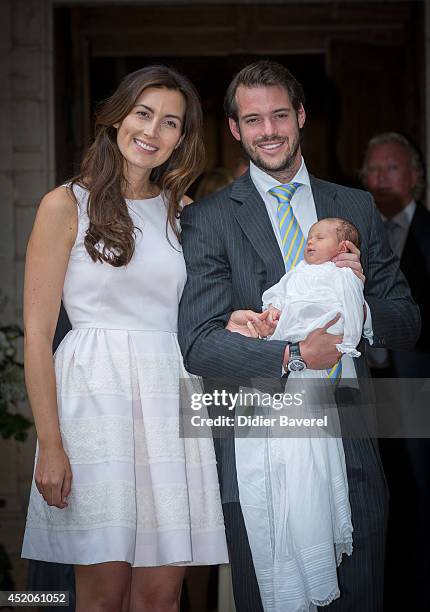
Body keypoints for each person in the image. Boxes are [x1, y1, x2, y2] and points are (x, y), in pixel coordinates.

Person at [178, 60, 420, 612]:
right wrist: (290, 353)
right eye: (254, 119)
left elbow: (408, 322)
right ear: (235, 129)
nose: (270, 131)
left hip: (351, 436)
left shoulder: (353, 206)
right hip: (259, 450)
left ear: (302, 116)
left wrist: (358, 303)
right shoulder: (210, 219)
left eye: (280, 115)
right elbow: (199, 343)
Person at [21, 65, 228, 612]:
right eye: (143, 113)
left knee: (162, 594)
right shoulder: (64, 205)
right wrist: (52, 445)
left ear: (182, 138)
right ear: (116, 117)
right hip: (93, 404)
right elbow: (37, 337)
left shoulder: (184, 214)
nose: (153, 131)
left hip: (169, 402)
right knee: (103, 590)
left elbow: (204, 317)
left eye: (171, 123)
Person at [231, 217, 365, 611]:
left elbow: (354, 315)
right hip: (278, 361)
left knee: (309, 473)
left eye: (320, 237)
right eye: (309, 237)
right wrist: (271, 312)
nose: (310, 242)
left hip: (321, 379)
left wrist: (347, 343)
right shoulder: (298, 271)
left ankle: (311, 560)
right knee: (276, 474)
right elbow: (277, 293)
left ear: (341, 248)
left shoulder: (343, 276)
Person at [361, 132, 430, 609]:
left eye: (392, 169)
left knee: (418, 503)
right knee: (369, 502)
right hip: (358, 390)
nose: (381, 178)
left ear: (415, 179)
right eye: (374, 170)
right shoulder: (349, 235)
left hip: (416, 389)